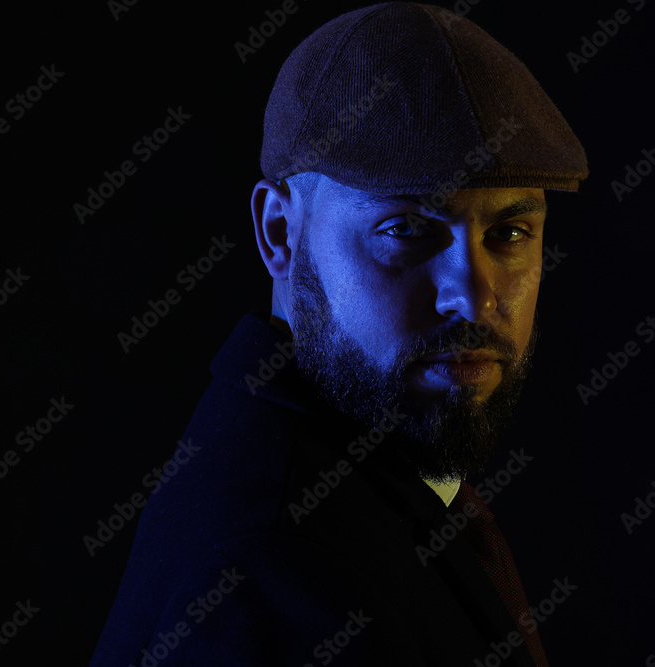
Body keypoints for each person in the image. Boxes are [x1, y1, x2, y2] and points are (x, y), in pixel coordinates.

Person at [90, 3, 587, 665]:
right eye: (407, 230)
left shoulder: (380, 480)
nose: (472, 293)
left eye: (510, 233)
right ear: (279, 234)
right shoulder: (265, 570)